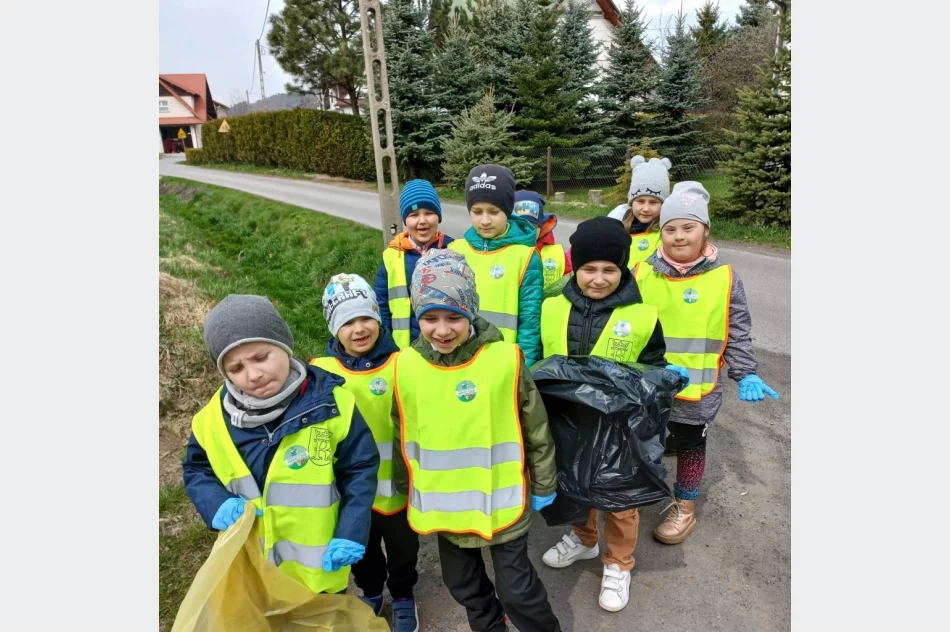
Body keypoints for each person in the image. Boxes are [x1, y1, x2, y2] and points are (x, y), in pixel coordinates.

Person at [391, 249, 562, 632]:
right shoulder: (406, 366)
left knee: (517, 590)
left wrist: (545, 480)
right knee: (463, 586)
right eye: (430, 318)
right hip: (444, 505)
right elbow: (402, 433)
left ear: (471, 312)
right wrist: (405, 489)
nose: (442, 329)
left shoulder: (505, 359)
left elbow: (535, 426)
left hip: (501, 500)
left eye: (454, 317)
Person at [538, 216, 689, 613]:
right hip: (566, 420)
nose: (599, 278)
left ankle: (618, 563)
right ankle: (584, 539)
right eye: (589, 269)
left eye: (610, 269)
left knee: (620, 498)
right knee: (573, 486)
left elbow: (653, 361)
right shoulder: (551, 307)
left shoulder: (641, 314)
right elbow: (539, 358)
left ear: (622, 269)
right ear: (576, 267)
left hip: (619, 426)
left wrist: (665, 376)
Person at [182, 294, 379, 595]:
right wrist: (215, 503)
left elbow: (360, 468)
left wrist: (351, 530)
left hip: (317, 564)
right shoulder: (211, 421)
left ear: (284, 346)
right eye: (236, 369)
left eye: (261, 357)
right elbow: (197, 468)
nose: (254, 374)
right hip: (255, 566)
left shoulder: (333, 405)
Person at [634, 182, 780, 544]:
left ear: (705, 231)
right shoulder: (641, 274)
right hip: (649, 384)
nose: (678, 237)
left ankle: (685, 507)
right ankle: (632, 497)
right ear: (660, 232)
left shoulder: (725, 278)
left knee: (689, 444)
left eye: (688, 228)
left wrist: (745, 372)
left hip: (698, 390)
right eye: (670, 229)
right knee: (642, 437)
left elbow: (738, 329)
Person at [311, 274, 419, 631]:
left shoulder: (404, 363)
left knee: (404, 551)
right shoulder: (320, 372)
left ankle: (403, 596)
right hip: (351, 493)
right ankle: (371, 592)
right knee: (364, 551)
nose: (359, 329)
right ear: (333, 328)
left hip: (398, 487)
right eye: (347, 322)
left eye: (366, 318)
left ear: (378, 317)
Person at [448, 165, 544, 366]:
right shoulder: (455, 250)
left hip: (504, 362)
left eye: (494, 211)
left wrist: (524, 367)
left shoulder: (525, 256)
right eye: (477, 211)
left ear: (508, 210)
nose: (484, 220)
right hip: (459, 358)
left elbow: (530, 322)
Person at [375, 179, 454, 349]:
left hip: (445, 344)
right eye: (414, 215)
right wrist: (386, 342)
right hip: (404, 348)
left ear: (438, 216)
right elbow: (382, 303)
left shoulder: (453, 251)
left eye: (429, 213)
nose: (422, 220)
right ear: (405, 219)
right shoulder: (392, 256)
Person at [513, 190, 572, 292]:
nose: (527, 232)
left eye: (533, 226)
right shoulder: (498, 250)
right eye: (520, 226)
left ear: (541, 226)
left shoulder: (557, 254)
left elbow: (570, 285)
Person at [625, 155, 672, 266]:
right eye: (640, 201)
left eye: (653, 202)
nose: (646, 209)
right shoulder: (620, 227)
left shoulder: (667, 232)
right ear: (632, 203)